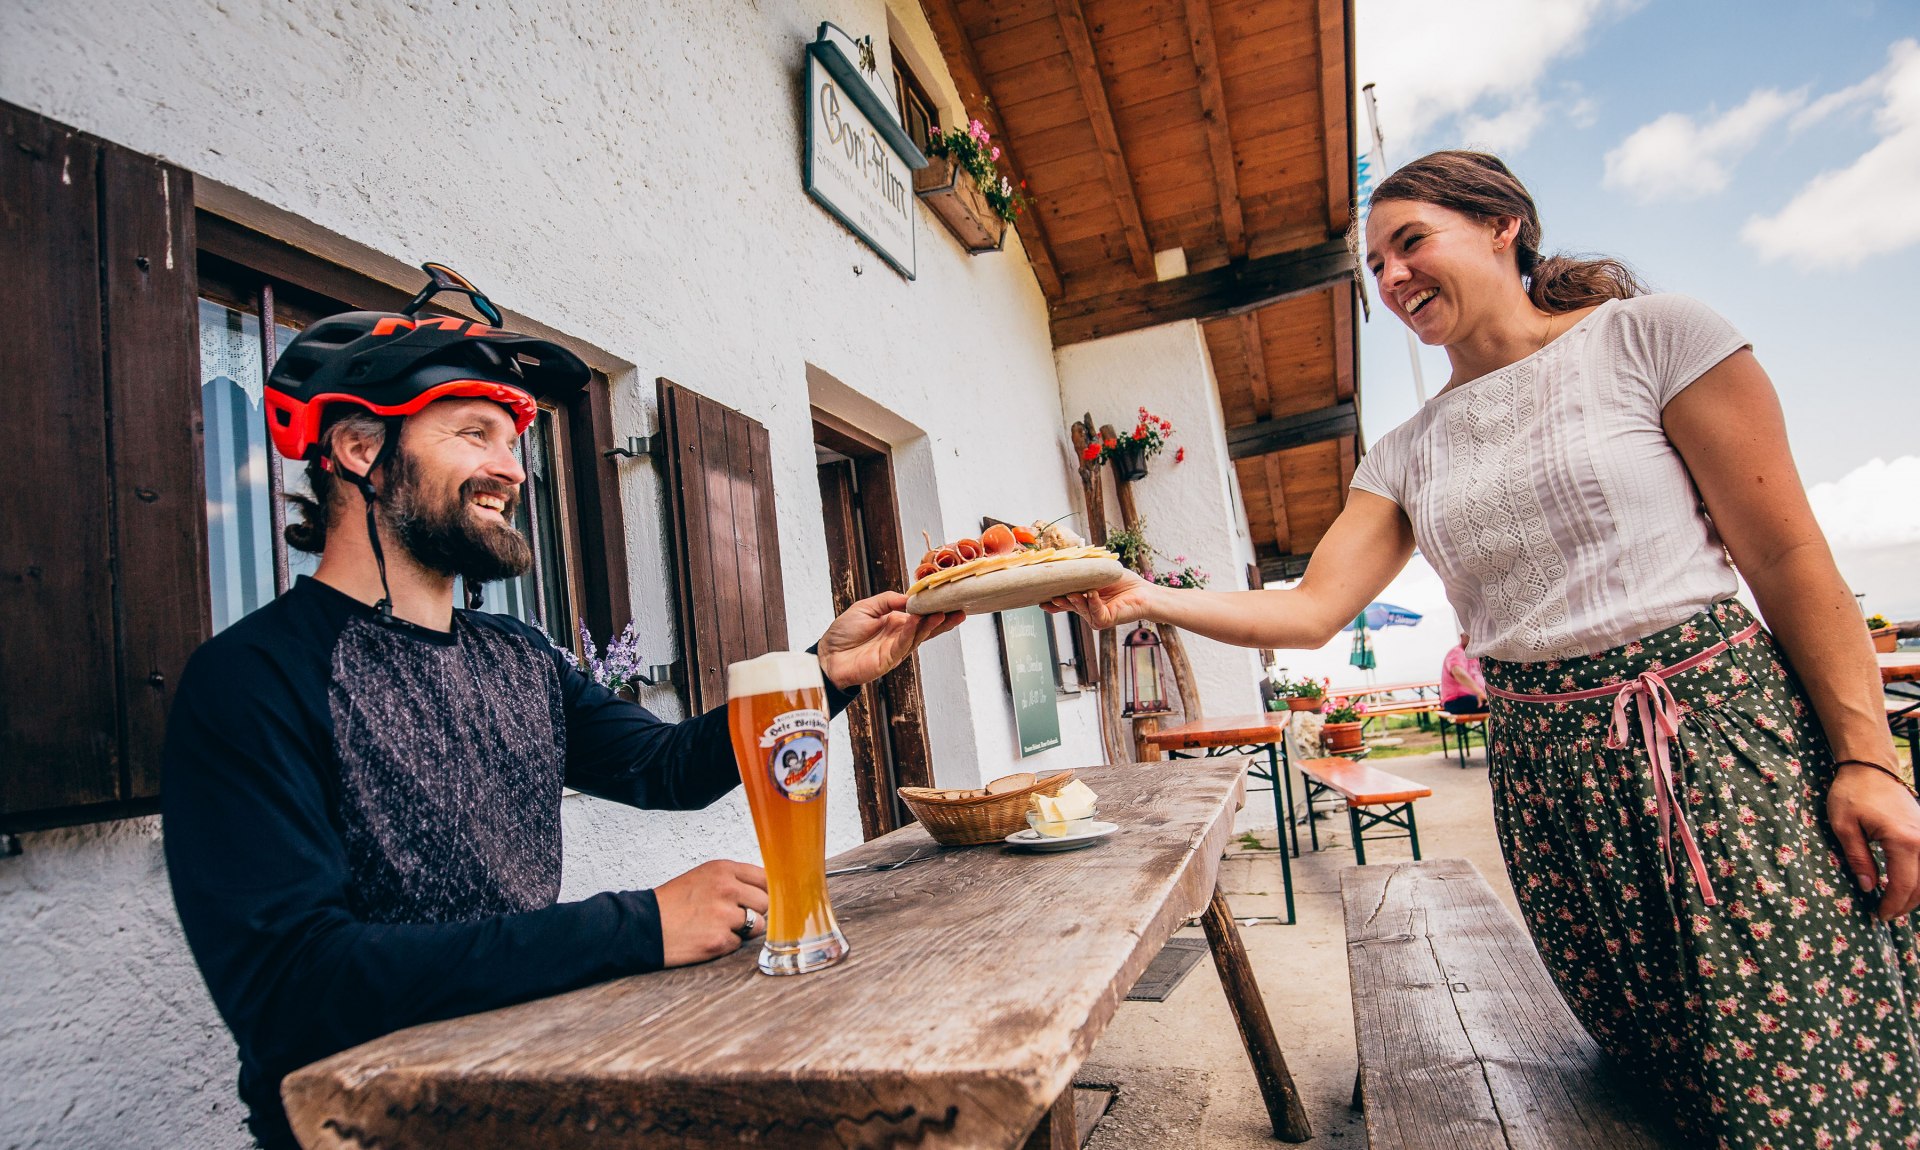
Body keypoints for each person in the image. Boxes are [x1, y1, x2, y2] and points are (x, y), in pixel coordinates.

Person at [1051, 152, 1920, 1146]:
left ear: (1505, 223)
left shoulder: (1652, 338)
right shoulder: (1410, 449)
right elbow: (1311, 608)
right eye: (1373, 266)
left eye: (1409, 243)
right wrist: (1141, 595)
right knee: (1662, 1082)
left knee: (1801, 1061)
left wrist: (1866, 758)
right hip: (1548, 783)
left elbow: (1787, 553)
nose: (1389, 279)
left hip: (1710, 746)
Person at [162, 266, 962, 1149]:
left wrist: (830, 672)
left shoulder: (518, 657)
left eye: (514, 444)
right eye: (475, 434)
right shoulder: (249, 679)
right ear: (358, 448)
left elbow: (669, 771)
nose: (512, 470)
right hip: (373, 1131)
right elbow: (295, 989)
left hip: (539, 1093)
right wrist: (638, 924)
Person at [1440, 629, 1487, 714]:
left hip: (1472, 698)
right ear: (1462, 637)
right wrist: (1480, 692)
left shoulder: (1474, 655)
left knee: (1496, 703)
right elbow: (1458, 673)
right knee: (1496, 705)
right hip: (1455, 701)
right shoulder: (1457, 652)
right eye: (1468, 635)